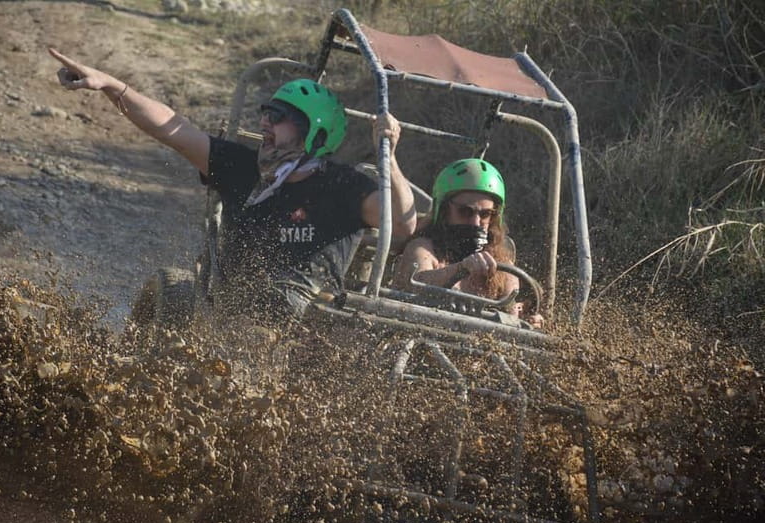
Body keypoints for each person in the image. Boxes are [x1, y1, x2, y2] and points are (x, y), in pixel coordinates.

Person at [48, 48, 416, 323]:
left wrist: (391, 158)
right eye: (265, 113)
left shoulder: (343, 186)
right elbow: (173, 129)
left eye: (280, 117)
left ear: (314, 133)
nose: (265, 122)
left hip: (310, 329)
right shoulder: (243, 167)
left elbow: (401, 225)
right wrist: (112, 86)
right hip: (231, 315)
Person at [393, 158, 543, 327]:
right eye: (465, 211)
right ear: (443, 211)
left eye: (486, 214)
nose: (475, 222)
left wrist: (526, 318)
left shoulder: (502, 264)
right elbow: (414, 284)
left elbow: (511, 310)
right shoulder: (424, 248)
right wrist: (460, 269)